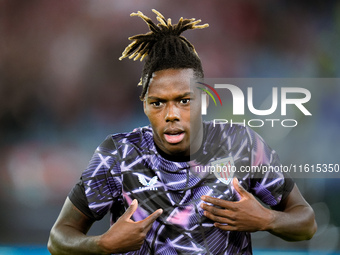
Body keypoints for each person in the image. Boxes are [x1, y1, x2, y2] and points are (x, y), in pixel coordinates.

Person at [48, 9, 317, 254]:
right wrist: (102, 244)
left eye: (184, 100)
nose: (171, 114)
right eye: (158, 103)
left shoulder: (241, 145)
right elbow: (58, 239)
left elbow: (306, 223)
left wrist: (266, 219)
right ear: (144, 106)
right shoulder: (118, 155)